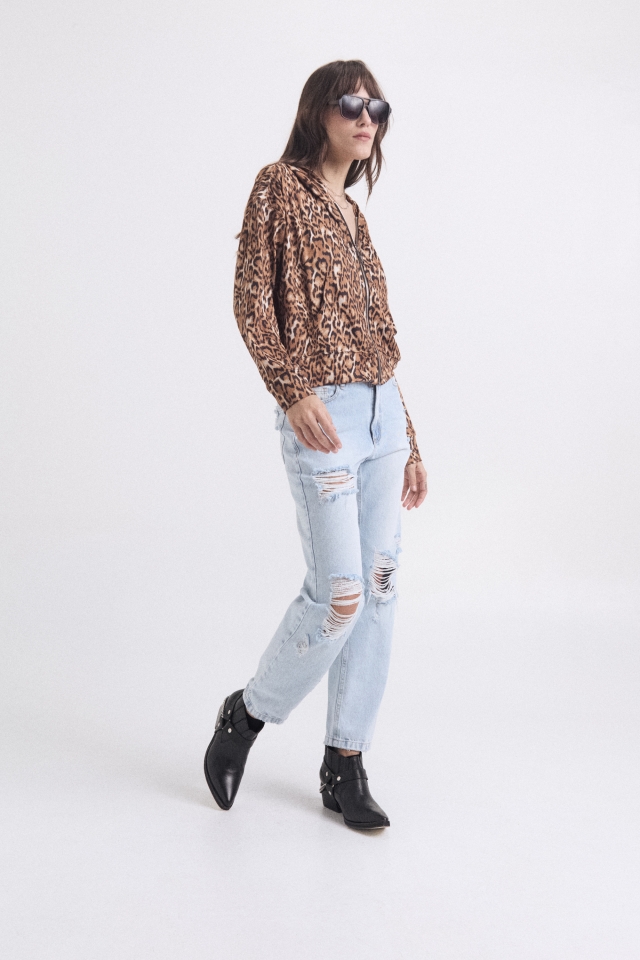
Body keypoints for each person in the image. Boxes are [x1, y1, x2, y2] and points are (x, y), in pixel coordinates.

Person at [204, 59, 427, 830]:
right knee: (339, 595)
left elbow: (379, 337)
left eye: (377, 108)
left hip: (382, 419)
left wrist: (411, 438)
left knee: (380, 591)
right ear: (318, 113)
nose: (366, 118)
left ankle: (345, 763)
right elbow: (250, 300)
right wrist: (291, 390)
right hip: (323, 415)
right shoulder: (279, 187)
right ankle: (246, 715)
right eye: (351, 104)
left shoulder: (356, 216)